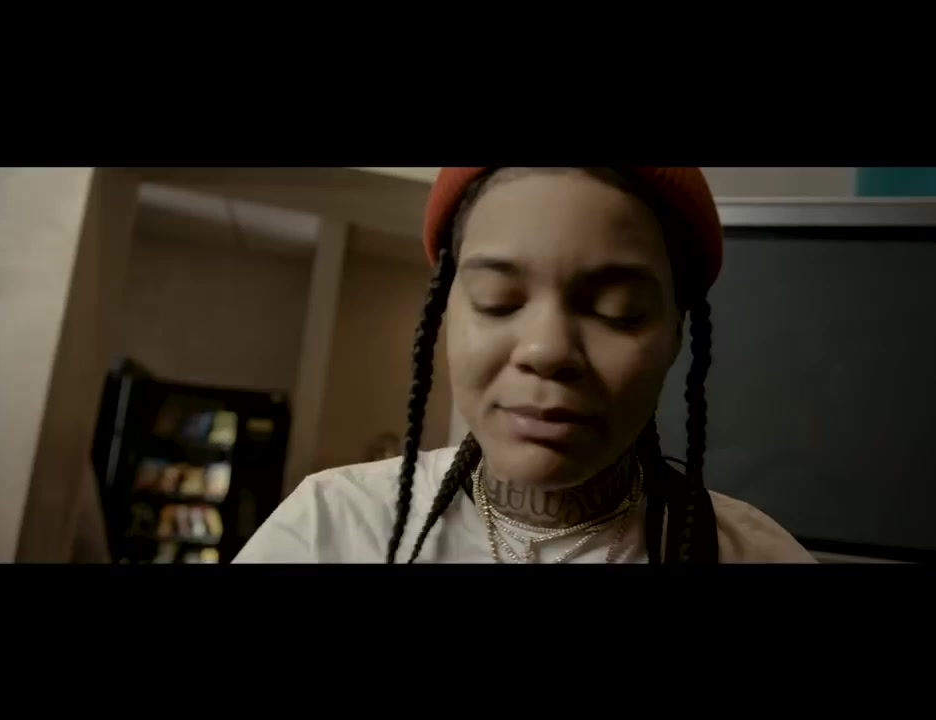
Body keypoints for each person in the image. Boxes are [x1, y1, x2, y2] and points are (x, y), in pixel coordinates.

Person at [235, 167, 815, 563]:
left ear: (675, 337)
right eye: (498, 300)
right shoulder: (329, 529)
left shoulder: (753, 553)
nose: (547, 349)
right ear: (445, 315)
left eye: (619, 309)